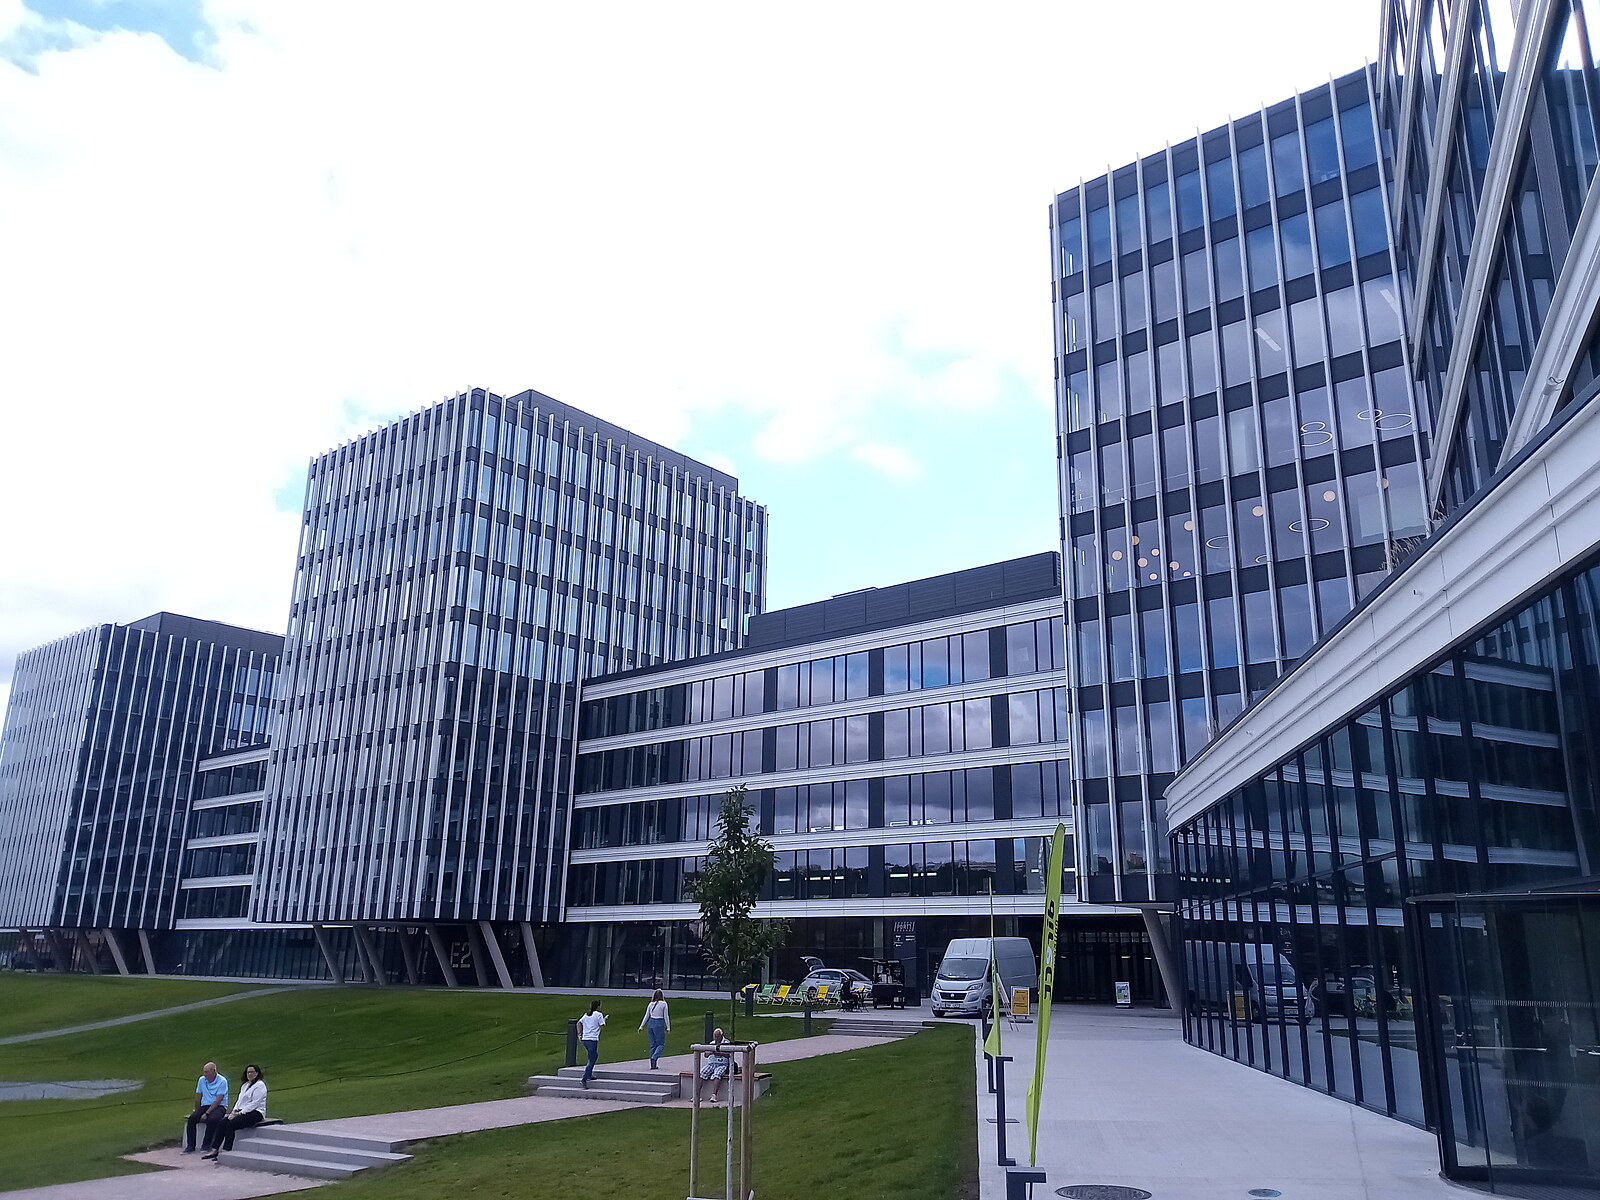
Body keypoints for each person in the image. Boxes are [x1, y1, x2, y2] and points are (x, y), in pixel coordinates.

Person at [202, 1064, 267, 1160]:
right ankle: (215, 1149)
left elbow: (255, 1103)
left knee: (231, 1124)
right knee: (222, 1122)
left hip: (255, 1112)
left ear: (257, 1073)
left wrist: (240, 1113)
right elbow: (239, 1101)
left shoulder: (260, 1086)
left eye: (252, 1072)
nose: (249, 1074)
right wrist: (234, 1111)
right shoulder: (245, 1085)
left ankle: (227, 1150)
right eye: (248, 1072)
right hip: (241, 1111)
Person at [183, 1062, 229, 1153]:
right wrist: (197, 1110)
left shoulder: (222, 1081)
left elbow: (218, 1100)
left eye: (207, 1072)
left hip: (219, 1106)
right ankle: (190, 1146)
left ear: (214, 1071)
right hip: (205, 1105)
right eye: (204, 1072)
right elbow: (198, 1096)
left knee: (212, 1119)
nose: (205, 1074)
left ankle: (206, 1145)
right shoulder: (202, 1080)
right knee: (192, 1119)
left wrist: (207, 1113)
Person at [697, 1028, 733, 1105]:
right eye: (715, 1036)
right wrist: (711, 1052)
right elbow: (706, 1054)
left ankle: (714, 1095)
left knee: (717, 1074)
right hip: (711, 1064)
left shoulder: (727, 1043)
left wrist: (720, 1053)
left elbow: (729, 1054)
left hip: (722, 1064)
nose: (716, 1038)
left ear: (721, 1036)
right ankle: (697, 1095)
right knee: (702, 1073)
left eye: (717, 1036)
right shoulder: (712, 1043)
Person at [639, 990, 670, 1069]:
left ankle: (653, 1064)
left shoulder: (651, 1004)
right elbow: (666, 1016)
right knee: (660, 1044)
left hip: (651, 1022)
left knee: (653, 1044)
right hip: (659, 1023)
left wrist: (641, 1026)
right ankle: (654, 1057)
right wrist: (668, 1027)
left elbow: (646, 1015)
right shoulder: (664, 1004)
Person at [578, 1000, 606, 1087]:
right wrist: (604, 1020)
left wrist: (579, 1034)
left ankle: (589, 1074)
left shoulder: (586, 1015)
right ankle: (584, 1078)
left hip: (585, 1039)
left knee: (594, 1056)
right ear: (598, 1006)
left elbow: (579, 1023)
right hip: (592, 1039)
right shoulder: (599, 1015)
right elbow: (602, 1025)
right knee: (592, 1059)